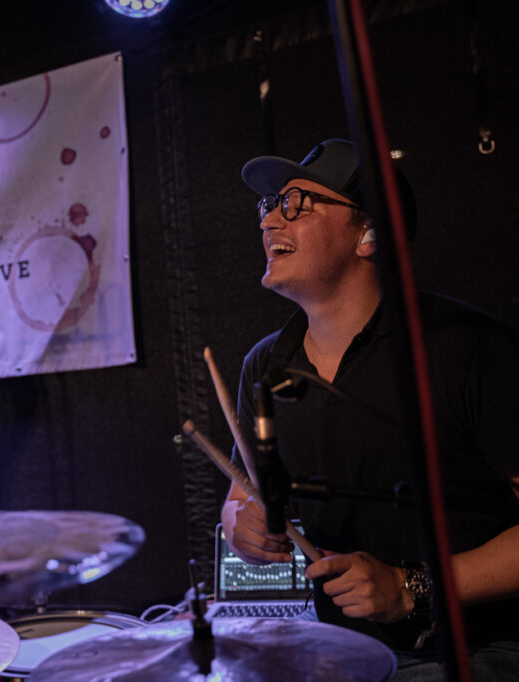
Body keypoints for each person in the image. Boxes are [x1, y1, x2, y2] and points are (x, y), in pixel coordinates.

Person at [220, 139, 519, 678]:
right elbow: (241, 496)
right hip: (342, 647)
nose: (269, 222)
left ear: (369, 234)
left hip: (478, 647)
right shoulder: (266, 365)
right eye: (270, 206)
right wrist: (242, 530)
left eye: (297, 204)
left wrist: (411, 586)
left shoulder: (467, 347)